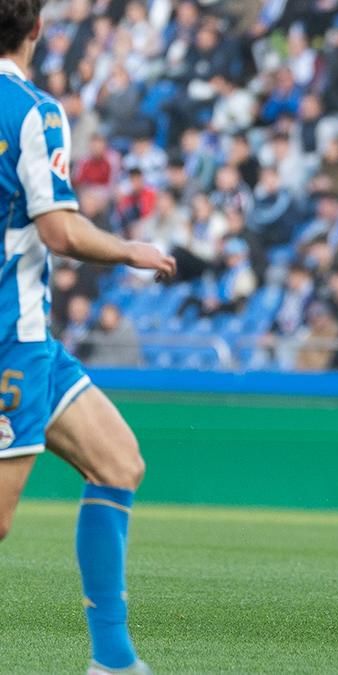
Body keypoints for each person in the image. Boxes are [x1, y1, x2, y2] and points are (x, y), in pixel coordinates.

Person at [0, 4, 177, 673]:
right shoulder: (33, 111)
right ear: (37, 29)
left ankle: (113, 661)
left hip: (33, 339)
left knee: (117, 460)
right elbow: (59, 230)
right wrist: (130, 249)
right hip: (9, 334)